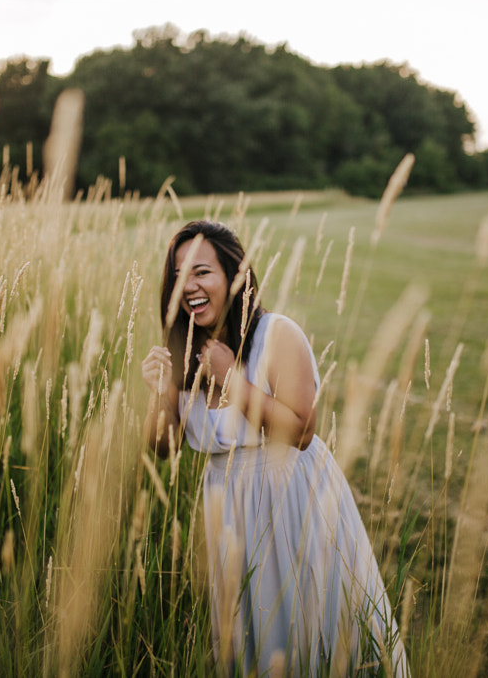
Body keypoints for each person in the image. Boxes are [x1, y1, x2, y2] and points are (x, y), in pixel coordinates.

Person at [142, 220, 409, 676]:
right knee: (252, 634)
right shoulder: (186, 349)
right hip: (227, 504)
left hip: (292, 496)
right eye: (178, 275)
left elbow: (301, 430)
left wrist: (230, 377)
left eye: (202, 272)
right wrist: (161, 392)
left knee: (313, 623)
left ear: (234, 276)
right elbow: (162, 448)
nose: (189, 286)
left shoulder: (276, 333)